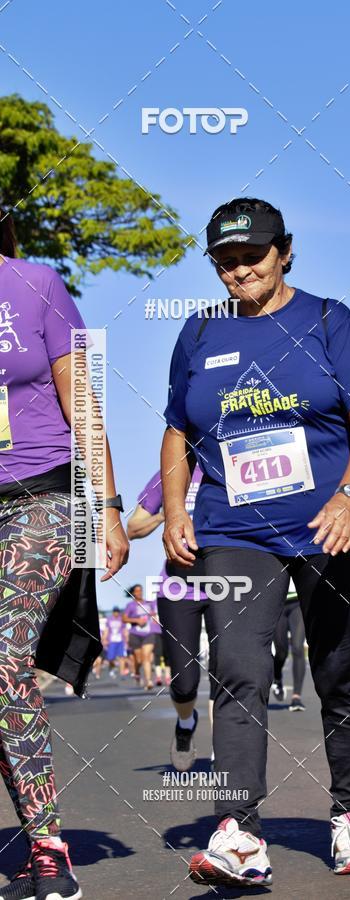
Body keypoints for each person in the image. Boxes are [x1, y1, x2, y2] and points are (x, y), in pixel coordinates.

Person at [161, 197, 350, 887]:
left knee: (339, 671)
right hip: (234, 528)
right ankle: (239, 833)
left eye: (253, 256)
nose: (240, 271)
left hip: (330, 524)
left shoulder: (328, 321)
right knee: (238, 667)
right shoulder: (200, 332)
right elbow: (177, 428)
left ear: (284, 252)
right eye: (225, 261)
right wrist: (174, 508)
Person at [0, 212, 129, 900]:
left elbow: (82, 396)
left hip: (43, 495)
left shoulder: (36, 283)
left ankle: (49, 849)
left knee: (3, 658)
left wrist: (106, 505)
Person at [127, 467, 216, 771]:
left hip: (227, 582)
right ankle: (185, 722)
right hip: (178, 588)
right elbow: (133, 527)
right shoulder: (171, 472)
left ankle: (223, 747)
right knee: (185, 683)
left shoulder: (231, 463)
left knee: (227, 672)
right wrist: (165, 515)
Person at [272, 582, 306, 711]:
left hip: (298, 601)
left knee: (298, 647)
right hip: (277, 602)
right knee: (281, 651)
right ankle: (277, 677)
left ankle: (296, 697)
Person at [122, 585, 155, 691]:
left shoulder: (148, 603)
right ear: (133, 593)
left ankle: (149, 681)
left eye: (140, 590)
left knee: (146, 657)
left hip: (149, 634)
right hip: (135, 635)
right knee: (139, 659)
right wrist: (136, 620)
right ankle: (136, 672)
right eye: (137, 591)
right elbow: (124, 619)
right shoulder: (130, 605)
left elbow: (154, 613)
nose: (139, 592)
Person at [104, 607, 128, 679]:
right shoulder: (109, 619)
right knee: (110, 658)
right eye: (115, 612)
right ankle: (113, 668)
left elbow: (124, 630)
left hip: (120, 641)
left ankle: (122, 673)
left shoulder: (121, 619)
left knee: (122, 657)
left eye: (117, 612)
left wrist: (127, 640)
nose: (116, 613)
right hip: (112, 641)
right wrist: (104, 639)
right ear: (113, 612)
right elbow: (106, 630)